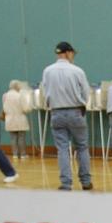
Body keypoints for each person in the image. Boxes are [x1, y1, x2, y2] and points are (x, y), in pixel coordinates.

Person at [41, 41, 93, 190]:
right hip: (75, 112)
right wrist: (82, 103)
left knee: (62, 149)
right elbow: (86, 92)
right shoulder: (77, 71)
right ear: (68, 53)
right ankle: (85, 181)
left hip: (56, 112)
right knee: (82, 147)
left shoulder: (47, 71)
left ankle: (66, 183)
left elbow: (45, 92)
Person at [2, 80, 32, 160]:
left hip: (9, 119)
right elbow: (25, 109)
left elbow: (4, 109)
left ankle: (15, 154)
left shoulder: (5, 95)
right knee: (21, 137)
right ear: (17, 86)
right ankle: (23, 154)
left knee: (13, 138)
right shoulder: (20, 95)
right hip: (20, 118)